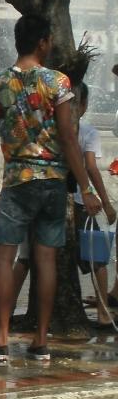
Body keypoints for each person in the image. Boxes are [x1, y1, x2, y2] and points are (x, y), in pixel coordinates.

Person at [0, 14, 99, 362]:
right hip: (53, 183)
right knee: (46, 259)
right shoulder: (57, 82)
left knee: (4, 257)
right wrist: (86, 189)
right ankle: (41, 341)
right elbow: (69, 138)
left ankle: (1, 338)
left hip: (17, 181)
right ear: (43, 42)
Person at [68, 83, 116, 324]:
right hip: (81, 202)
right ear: (84, 105)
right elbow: (91, 167)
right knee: (98, 258)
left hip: (58, 201)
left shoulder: (54, 131)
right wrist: (106, 203)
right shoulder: (88, 132)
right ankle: (103, 313)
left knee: (56, 256)